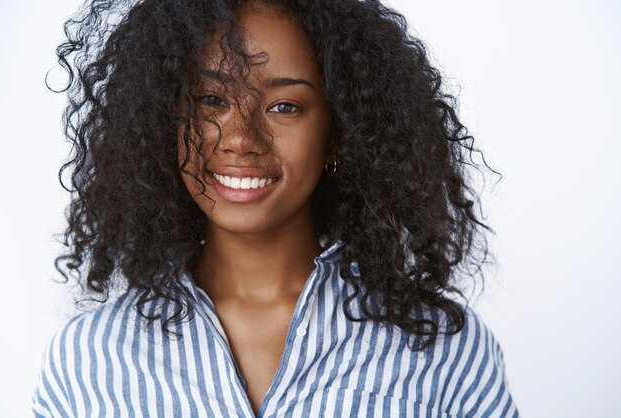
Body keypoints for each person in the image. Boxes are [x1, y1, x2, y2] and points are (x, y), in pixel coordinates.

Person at [32, 0, 520, 416]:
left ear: (336, 134)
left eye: (284, 106)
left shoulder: (446, 349)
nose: (242, 139)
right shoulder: (87, 359)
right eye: (211, 100)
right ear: (163, 116)